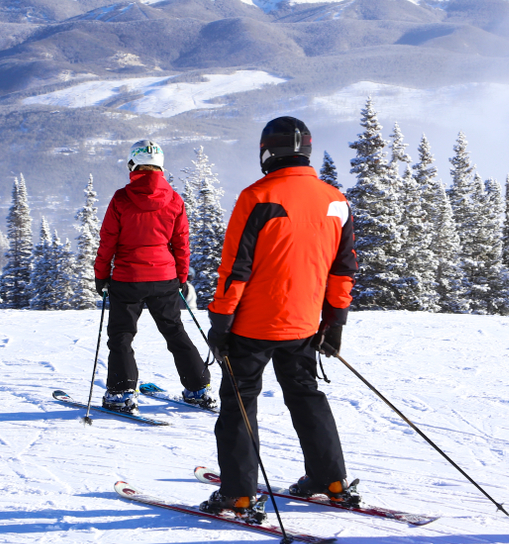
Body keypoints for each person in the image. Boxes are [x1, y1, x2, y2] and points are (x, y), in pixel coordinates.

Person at [200, 116, 358, 517]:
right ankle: (330, 479)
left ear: (267, 152)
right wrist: (335, 321)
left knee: (239, 402)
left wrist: (220, 323)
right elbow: (343, 270)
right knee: (306, 396)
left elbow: (235, 268)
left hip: (252, 325)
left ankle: (237, 493)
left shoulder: (257, 197)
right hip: (305, 324)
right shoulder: (335, 200)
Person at [94, 139, 214, 413]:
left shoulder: (122, 198)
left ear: (133, 164)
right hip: (165, 278)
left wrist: (101, 275)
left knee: (122, 336)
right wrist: (181, 277)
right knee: (174, 331)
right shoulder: (174, 199)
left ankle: (121, 393)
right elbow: (181, 244)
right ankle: (198, 389)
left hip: (127, 279)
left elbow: (107, 242)